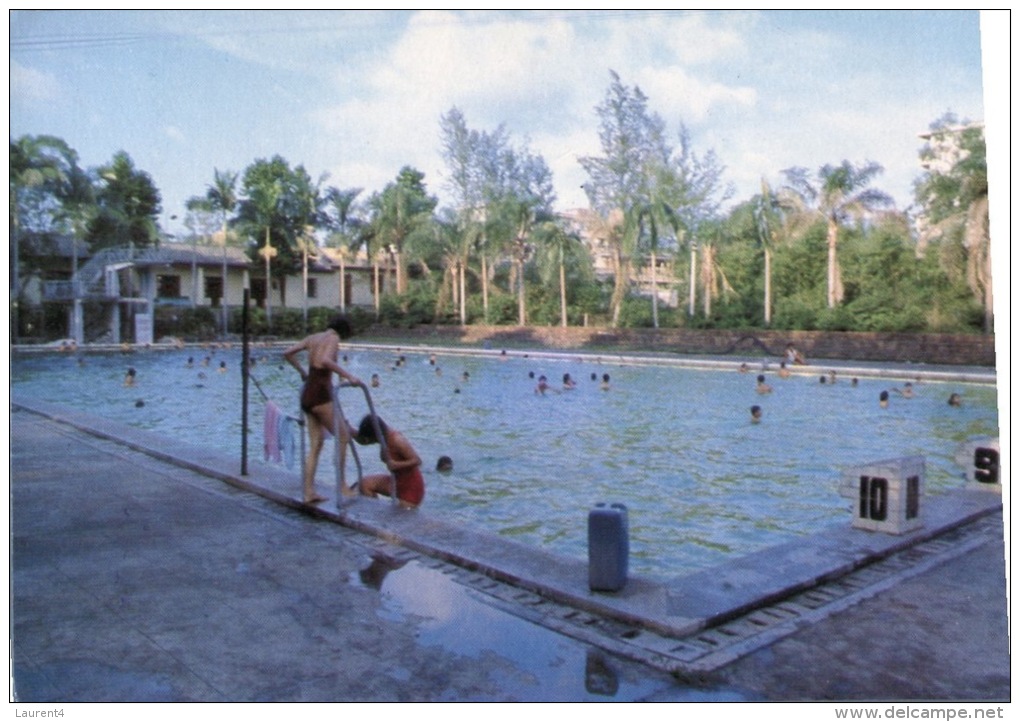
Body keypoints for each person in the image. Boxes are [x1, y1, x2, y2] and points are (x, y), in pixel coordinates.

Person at [283, 314, 360, 505]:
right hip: (320, 394)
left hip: (308, 393)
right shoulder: (333, 338)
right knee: (343, 437)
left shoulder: (314, 338)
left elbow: (287, 353)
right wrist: (348, 376)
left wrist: (302, 372)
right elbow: (325, 360)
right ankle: (341, 484)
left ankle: (309, 492)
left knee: (316, 445)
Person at [352, 414, 425, 508]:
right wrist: (349, 429)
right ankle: (374, 511)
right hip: (396, 480)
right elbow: (363, 441)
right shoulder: (383, 439)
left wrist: (397, 465)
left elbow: (417, 461)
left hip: (411, 487)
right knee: (364, 485)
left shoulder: (396, 440)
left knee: (400, 516)